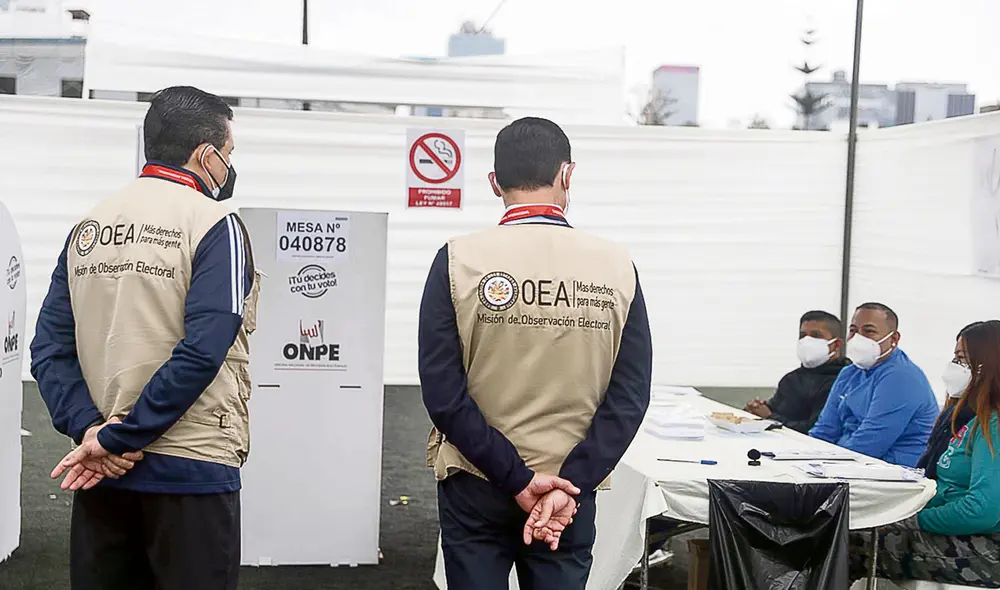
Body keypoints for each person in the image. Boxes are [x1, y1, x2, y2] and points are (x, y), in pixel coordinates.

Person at [31, 86, 257, 590]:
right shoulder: (218, 223)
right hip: (191, 467)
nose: (229, 168)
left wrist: (92, 431)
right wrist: (117, 437)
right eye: (230, 155)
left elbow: (48, 349)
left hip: (101, 470)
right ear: (207, 155)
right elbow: (204, 349)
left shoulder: (89, 223)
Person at [419, 117, 652, 589]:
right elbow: (630, 396)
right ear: (567, 175)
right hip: (570, 488)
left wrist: (516, 478)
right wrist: (571, 483)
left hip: (476, 479)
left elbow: (444, 394)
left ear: (494, 183)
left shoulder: (457, 260)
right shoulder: (617, 266)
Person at [850, 320, 1000, 586]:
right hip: (961, 531)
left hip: (988, 550)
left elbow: (983, 510)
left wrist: (913, 519)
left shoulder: (994, 425)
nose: (954, 367)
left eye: (962, 359)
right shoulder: (975, 419)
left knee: (847, 545)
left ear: (988, 364)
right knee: (849, 532)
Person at [809, 302, 938, 467]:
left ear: (894, 339)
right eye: (853, 331)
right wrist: (804, 455)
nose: (858, 338)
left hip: (893, 471)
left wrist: (825, 464)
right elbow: (825, 429)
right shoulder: (849, 373)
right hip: (852, 463)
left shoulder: (901, 377)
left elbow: (870, 442)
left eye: (869, 331)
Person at [745, 310, 849, 433]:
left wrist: (769, 418)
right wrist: (756, 409)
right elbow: (775, 410)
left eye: (816, 335)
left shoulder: (845, 380)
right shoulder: (791, 379)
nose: (807, 341)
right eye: (803, 335)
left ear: (837, 344)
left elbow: (816, 429)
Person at [916, 322, 982, 479]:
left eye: (961, 358)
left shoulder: (988, 422)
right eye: (954, 357)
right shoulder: (954, 410)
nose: (954, 366)